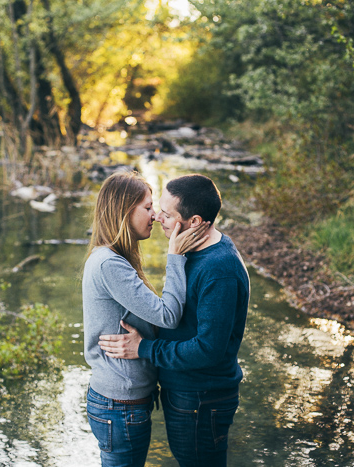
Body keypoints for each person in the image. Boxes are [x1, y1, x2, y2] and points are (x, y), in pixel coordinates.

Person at [99, 174, 250, 467]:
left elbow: (208, 349)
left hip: (201, 400)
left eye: (167, 214)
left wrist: (143, 348)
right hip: (189, 396)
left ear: (193, 222)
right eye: (158, 209)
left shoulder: (219, 269)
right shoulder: (190, 252)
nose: (157, 217)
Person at [82, 171, 209, 467]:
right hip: (119, 404)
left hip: (122, 402)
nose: (154, 216)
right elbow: (167, 315)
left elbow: (152, 317)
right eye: (148, 207)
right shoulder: (109, 264)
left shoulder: (114, 258)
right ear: (124, 211)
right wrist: (175, 255)